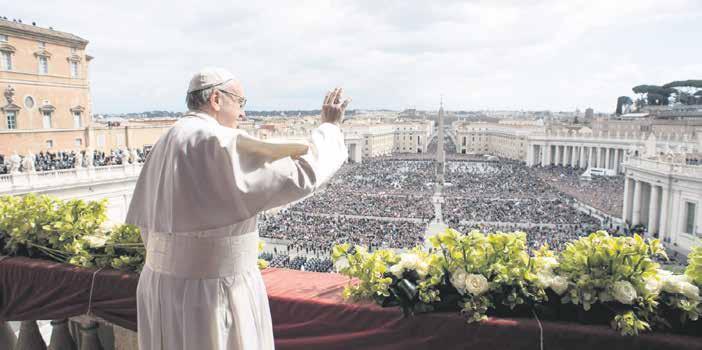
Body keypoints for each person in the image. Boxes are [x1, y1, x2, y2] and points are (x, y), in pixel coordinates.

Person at [125, 67, 350, 350]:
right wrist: (329, 127)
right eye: (240, 103)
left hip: (160, 286)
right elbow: (301, 175)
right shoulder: (216, 140)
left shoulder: (166, 139)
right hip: (213, 291)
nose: (243, 114)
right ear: (217, 99)